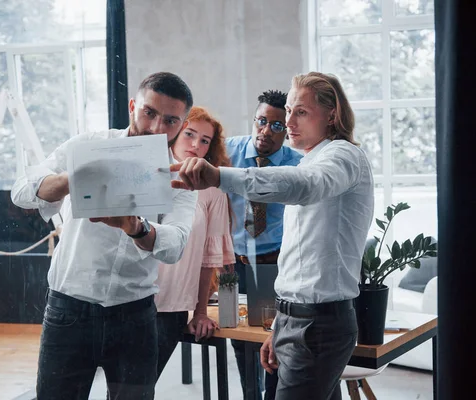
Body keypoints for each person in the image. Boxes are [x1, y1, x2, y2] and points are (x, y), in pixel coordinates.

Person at [171, 71, 375, 400]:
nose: (288, 121)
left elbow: (305, 186)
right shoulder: (306, 158)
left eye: (300, 112)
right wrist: (281, 326)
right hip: (258, 286)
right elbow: (300, 256)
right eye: (288, 111)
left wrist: (218, 176)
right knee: (240, 345)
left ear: (332, 114)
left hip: (314, 320)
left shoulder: (341, 157)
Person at [11, 72, 197, 400]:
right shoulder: (88, 146)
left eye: (170, 120)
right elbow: (22, 191)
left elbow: (175, 247)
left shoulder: (179, 179)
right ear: (132, 106)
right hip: (69, 308)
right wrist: (73, 178)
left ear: (182, 124)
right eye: (149, 113)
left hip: (135, 315)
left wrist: (137, 228)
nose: (156, 128)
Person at [225, 90, 302, 399]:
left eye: (276, 125)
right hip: (231, 263)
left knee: (272, 338)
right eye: (262, 121)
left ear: (287, 129)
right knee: (236, 335)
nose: (266, 131)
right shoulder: (226, 152)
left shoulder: (298, 164)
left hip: (273, 262)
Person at [154, 106, 235, 378]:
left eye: (205, 140)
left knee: (140, 388)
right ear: (175, 132)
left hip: (173, 305)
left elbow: (210, 258)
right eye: (189, 134)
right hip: (129, 300)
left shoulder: (213, 190)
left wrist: (200, 312)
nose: (195, 144)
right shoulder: (147, 173)